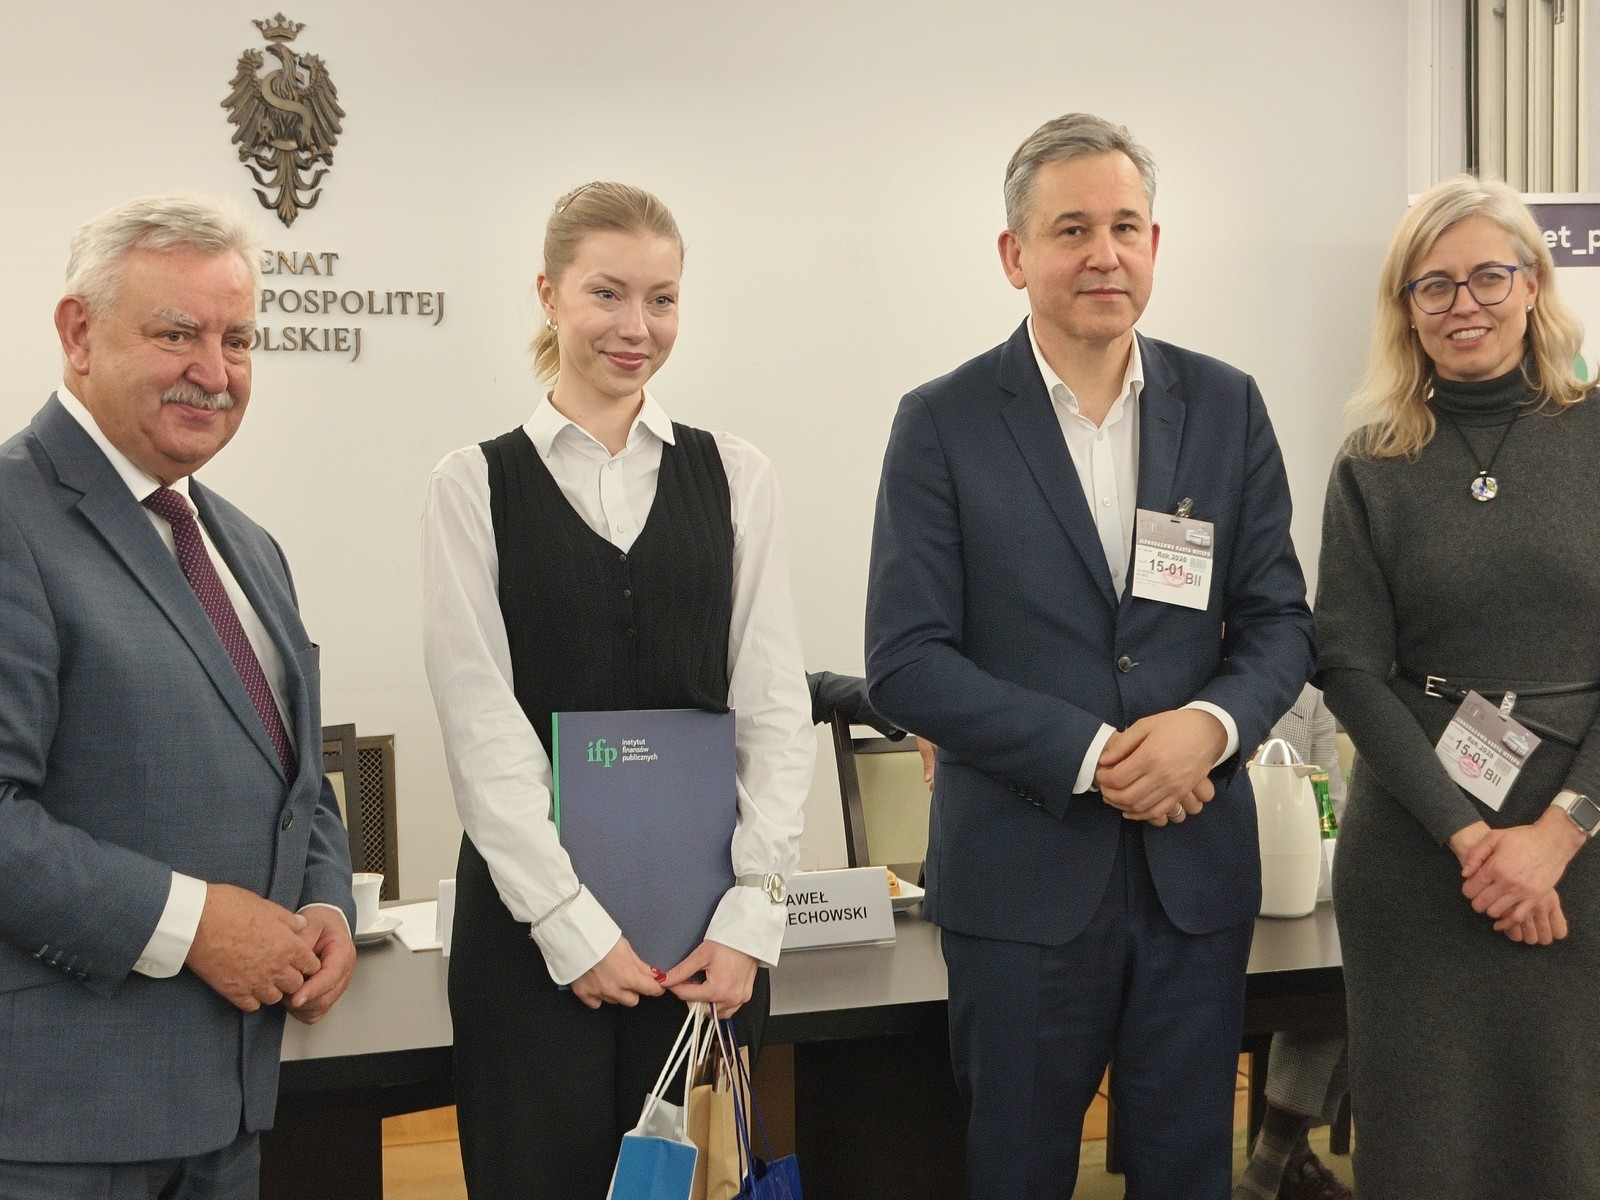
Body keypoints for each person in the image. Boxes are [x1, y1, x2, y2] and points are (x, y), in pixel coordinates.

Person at [865, 113, 1314, 1199]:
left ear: (1154, 244)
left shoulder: (1226, 404)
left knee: (1186, 1174)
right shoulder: (942, 421)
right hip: (1019, 885)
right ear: (1015, 254)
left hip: (1194, 879)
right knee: (1017, 1173)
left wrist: (1208, 729)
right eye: (1072, 229)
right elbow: (907, 659)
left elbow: (1280, 623)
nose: (1103, 253)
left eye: (1125, 227)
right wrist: (1094, 755)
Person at [421, 181, 813, 1198]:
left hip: (707, 940)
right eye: (607, 293)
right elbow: (481, 726)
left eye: (662, 299)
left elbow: (772, 709)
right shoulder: (472, 485)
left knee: (692, 1187)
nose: (636, 327)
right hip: (529, 940)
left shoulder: (738, 476)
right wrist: (568, 923)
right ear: (548, 295)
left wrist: (752, 914)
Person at [0, 195, 356, 1197]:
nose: (215, 370)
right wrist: (194, 925)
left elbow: (294, 780)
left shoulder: (248, 547)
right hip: (57, 1134)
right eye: (175, 334)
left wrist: (324, 900)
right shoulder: (11, 518)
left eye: (237, 340)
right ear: (78, 334)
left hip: (225, 1118)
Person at [1316, 174, 1600, 1198]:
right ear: (1405, 308)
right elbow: (1347, 666)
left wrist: (1557, 835)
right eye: (1431, 285)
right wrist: (1473, 842)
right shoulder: (1372, 461)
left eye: (1488, 276)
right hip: (1418, 853)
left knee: (1569, 1144)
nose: (1462, 304)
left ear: (1533, 286)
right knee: (1427, 1151)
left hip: (1584, 851)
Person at [1234, 684, 1350, 1200]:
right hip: (1206, 888)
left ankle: (1278, 1156)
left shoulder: (1308, 697)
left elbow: (1332, 802)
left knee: (1344, 985)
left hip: (1292, 888)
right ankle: (1283, 1158)